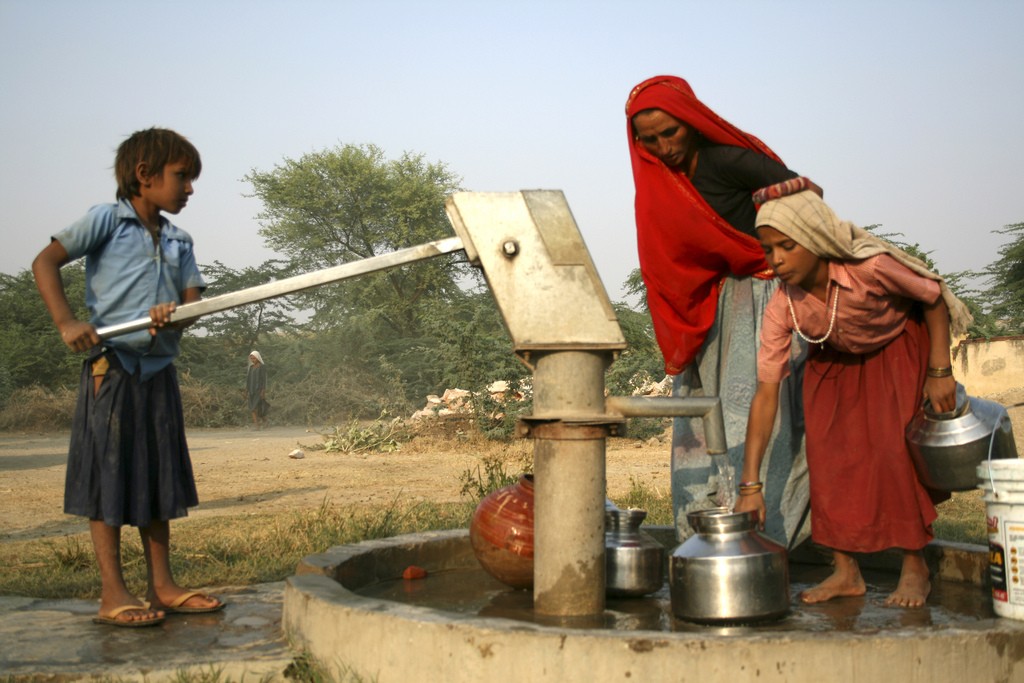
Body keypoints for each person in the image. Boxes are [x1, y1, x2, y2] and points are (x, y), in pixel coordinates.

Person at [735, 187, 972, 608]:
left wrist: (940, 371)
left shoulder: (870, 267)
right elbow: (766, 393)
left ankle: (914, 567)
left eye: (788, 246)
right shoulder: (782, 305)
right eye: (769, 250)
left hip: (896, 347)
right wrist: (749, 484)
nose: (778, 260)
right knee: (827, 458)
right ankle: (846, 571)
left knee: (892, 453)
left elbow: (933, 297)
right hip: (834, 359)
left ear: (818, 239)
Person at [32, 127, 224, 627]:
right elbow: (45, 262)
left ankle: (162, 584)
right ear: (144, 175)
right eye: (182, 177)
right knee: (109, 474)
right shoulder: (106, 221)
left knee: (159, 472)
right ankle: (112, 592)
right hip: (111, 365)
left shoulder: (180, 239)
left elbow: (193, 306)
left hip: (158, 368)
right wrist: (68, 322)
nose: (189, 189)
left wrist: (177, 314)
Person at [625, 75, 821, 543]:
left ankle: (771, 533)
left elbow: (806, 199)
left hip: (763, 299)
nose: (663, 147)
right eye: (649, 140)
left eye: (670, 133)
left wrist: (770, 253)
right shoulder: (661, 181)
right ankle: (705, 532)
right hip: (712, 311)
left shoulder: (727, 161)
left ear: (691, 122)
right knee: (704, 421)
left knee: (764, 415)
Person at [247, 350, 268, 429]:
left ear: (258, 358)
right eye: (251, 359)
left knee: (256, 408)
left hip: (258, 391)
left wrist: (263, 391)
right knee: (253, 408)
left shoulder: (262, 367)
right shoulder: (251, 367)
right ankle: (257, 425)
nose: (253, 360)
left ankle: (264, 422)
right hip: (251, 390)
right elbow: (248, 380)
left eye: (254, 358)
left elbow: (264, 380)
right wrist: (246, 390)